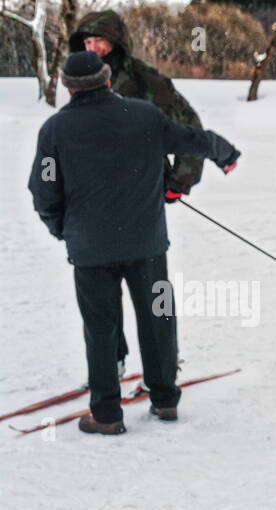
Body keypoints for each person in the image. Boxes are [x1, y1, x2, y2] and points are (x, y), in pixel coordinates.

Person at [27, 51, 241, 435]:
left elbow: (44, 190)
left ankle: (107, 414)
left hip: (90, 251)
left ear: (67, 87)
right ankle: (164, 400)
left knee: (101, 328)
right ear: (107, 80)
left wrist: (62, 228)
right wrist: (223, 152)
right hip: (147, 247)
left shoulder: (54, 131)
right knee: (158, 318)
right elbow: (189, 139)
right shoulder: (144, 116)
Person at [70, 9, 209, 379]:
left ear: (117, 41)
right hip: (93, 210)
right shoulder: (80, 79)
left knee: (155, 301)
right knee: (101, 300)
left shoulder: (148, 81)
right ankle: (110, 363)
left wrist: (178, 182)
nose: (93, 48)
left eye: (99, 40)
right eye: (86, 42)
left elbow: (190, 131)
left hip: (142, 210)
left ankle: (164, 378)